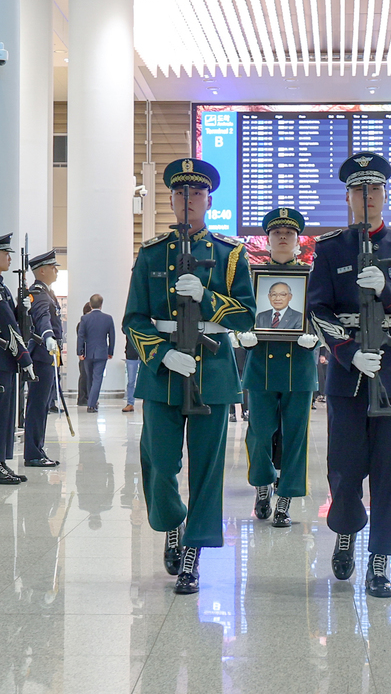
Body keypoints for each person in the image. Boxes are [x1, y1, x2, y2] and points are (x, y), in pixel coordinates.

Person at [123, 158, 256, 595]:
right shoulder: (151, 253)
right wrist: (161, 355)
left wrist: (208, 297)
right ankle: (171, 523)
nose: (187, 201)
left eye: (196, 194)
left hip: (212, 368)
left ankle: (193, 555)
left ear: (208, 200)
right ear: (171, 199)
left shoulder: (229, 253)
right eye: (180, 194)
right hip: (163, 372)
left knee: (207, 467)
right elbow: (134, 319)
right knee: (159, 462)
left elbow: (245, 316)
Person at [307, 151, 391, 599]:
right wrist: (345, 352)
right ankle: (346, 533)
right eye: (359, 190)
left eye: (375, 189)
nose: (368, 197)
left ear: (384, 194)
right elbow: (317, 310)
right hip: (347, 374)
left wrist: (389, 291)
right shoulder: (329, 248)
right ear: (348, 197)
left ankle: (379, 561)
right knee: (343, 469)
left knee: (390, 471)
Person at [238, 207, 320, 527]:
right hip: (260, 366)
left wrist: (317, 338)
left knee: (296, 437)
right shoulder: (252, 276)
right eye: (276, 233)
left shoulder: (311, 277)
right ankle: (262, 486)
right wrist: (240, 335)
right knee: (258, 434)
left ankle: (284, 500)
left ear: (298, 241)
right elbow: (241, 313)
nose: (283, 237)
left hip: (299, 367)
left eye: (289, 233)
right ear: (268, 240)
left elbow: (322, 314)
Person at [0, 233, 35, 483]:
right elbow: (6, 324)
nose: (10, 258)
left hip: (6, 359)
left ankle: (1, 461)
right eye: (5, 254)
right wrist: (24, 356)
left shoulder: (1, 284)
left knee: (6, 414)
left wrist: (24, 307)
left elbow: (14, 319)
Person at [22, 249, 64, 467]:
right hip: (41, 356)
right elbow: (42, 317)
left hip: (47, 357)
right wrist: (48, 336)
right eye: (53, 266)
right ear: (42, 270)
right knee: (38, 406)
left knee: (41, 405)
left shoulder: (47, 292)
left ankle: (37, 449)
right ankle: (33, 453)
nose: (56, 270)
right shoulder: (38, 293)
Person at [77, 294, 116, 412]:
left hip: (88, 353)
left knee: (89, 378)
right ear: (101, 304)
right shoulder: (108, 318)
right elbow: (112, 337)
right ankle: (91, 404)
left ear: (90, 304)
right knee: (97, 378)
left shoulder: (85, 319)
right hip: (102, 353)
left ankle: (91, 401)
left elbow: (80, 336)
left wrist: (80, 352)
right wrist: (110, 351)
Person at [76, 302, 92, 406]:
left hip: (91, 353)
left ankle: (90, 397)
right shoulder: (81, 324)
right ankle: (82, 398)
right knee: (84, 376)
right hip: (85, 354)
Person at [122, 324, 139, 412]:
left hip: (144, 356)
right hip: (131, 355)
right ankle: (130, 403)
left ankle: (147, 403)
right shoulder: (129, 322)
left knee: (146, 381)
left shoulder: (147, 321)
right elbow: (124, 329)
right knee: (131, 381)